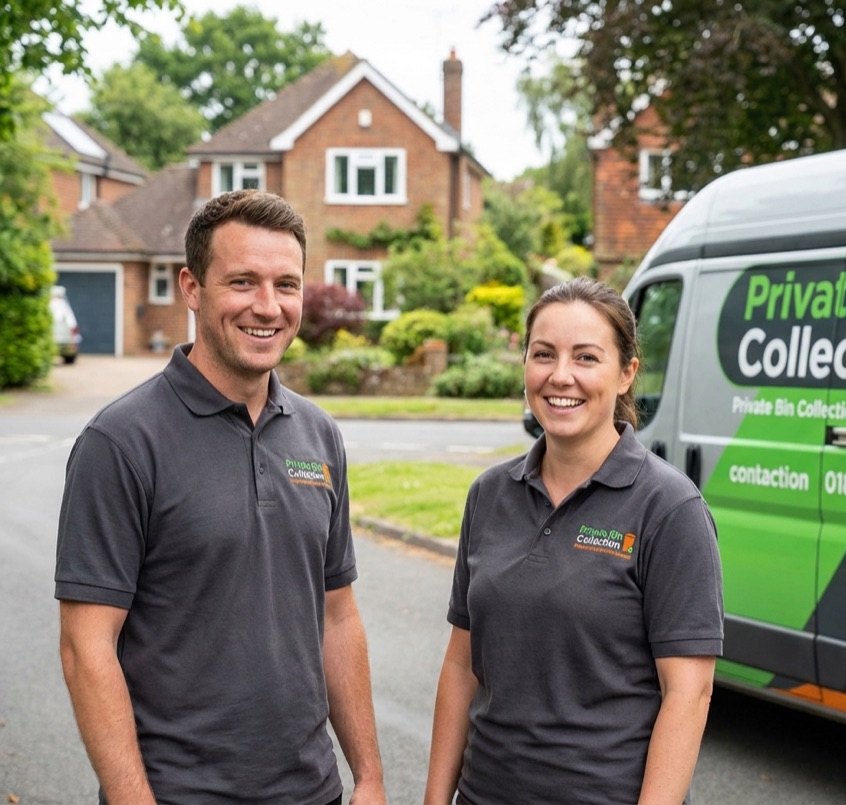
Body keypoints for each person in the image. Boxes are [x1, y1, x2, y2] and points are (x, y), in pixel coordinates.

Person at [55, 189, 386, 805]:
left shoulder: (318, 434)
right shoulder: (121, 442)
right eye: (242, 281)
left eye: (286, 284)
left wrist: (367, 776)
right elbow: (85, 647)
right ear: (191, 287)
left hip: (313, 792)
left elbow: (337, 617)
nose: (268, 307)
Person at [424, 277, 724, 805]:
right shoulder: (489, 494)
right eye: (544, 354)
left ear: (627, 373)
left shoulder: (670, 509)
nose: (560, 376)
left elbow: (689, 694)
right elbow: (459, 664)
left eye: (586, 358)